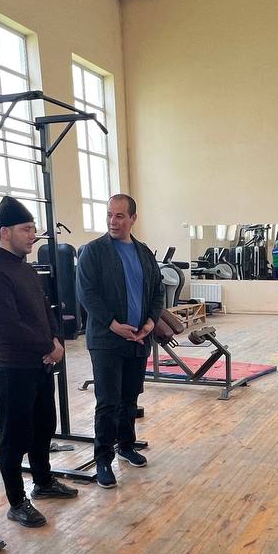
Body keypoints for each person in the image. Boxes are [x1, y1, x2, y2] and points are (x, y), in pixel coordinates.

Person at [0, 197, 78, 528]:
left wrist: (56, 340)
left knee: (44, 425)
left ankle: (43, 481)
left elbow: (44, 311)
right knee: (15, 435)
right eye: (26, 229)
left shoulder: (25, 267)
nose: (33, 235)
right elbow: (9, 325)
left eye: (33, 228)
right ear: (5, 232)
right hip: (14, 367)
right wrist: (48, 345)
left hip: (40, 362)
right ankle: (17, 502)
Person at [76, 193, 164, 489]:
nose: (113, 221)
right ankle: (103, 459)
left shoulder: (143, 252)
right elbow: (87, 294)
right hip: (106, 340)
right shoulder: (93, 251)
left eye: (120, 216)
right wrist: (113, 325)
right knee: (108, 402)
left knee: (130, 398)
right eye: (109, 215)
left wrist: (150, 322)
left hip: (138, 339)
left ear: (133, 218)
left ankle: (126, 446)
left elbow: (157, 291)